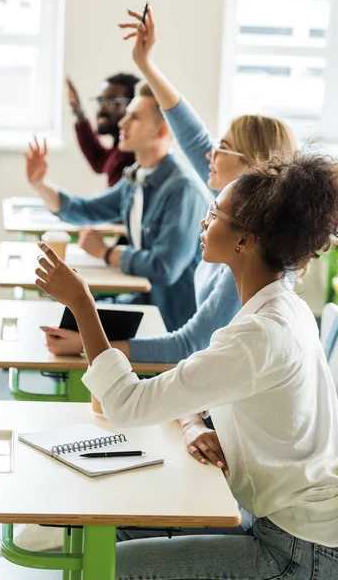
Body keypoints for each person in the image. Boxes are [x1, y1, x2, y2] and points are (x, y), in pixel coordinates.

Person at [35, 151, 338, 579]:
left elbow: (125, 404)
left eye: (214, 213)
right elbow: (196, 387)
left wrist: (82, 303)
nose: (203, 222)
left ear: (244, 241)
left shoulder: (258, 336)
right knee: (120, 529)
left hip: (298, 548)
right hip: (276, 519)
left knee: (108, 568)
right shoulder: (279, 308)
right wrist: (193, 423)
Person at [44, 9, 296, 372]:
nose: (209, 153)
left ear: (250, 167)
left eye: (221, 148)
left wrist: (91, 343)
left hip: (215, 393)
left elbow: (190, 345)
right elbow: (190, 134)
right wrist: (145, 64)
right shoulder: (236, 214)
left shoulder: (248, 253)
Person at [24, 82, 208, 332]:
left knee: (77, 326)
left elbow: (164, 268)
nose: (122, 123)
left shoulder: (182, 190)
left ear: (161, 132)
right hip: (145, 305)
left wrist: (106, 253)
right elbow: (86, 210)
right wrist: (39, 183)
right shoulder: (135, 177)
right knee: (69, 317)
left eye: (134, 117)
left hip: (172, 323)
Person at [66, 72, 140, 188]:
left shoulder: (134, 154)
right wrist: (79, 113)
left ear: (134, 106)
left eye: (111, 102)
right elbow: (101, 160)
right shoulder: (121, 147)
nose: (101, 109)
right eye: (100, 100)